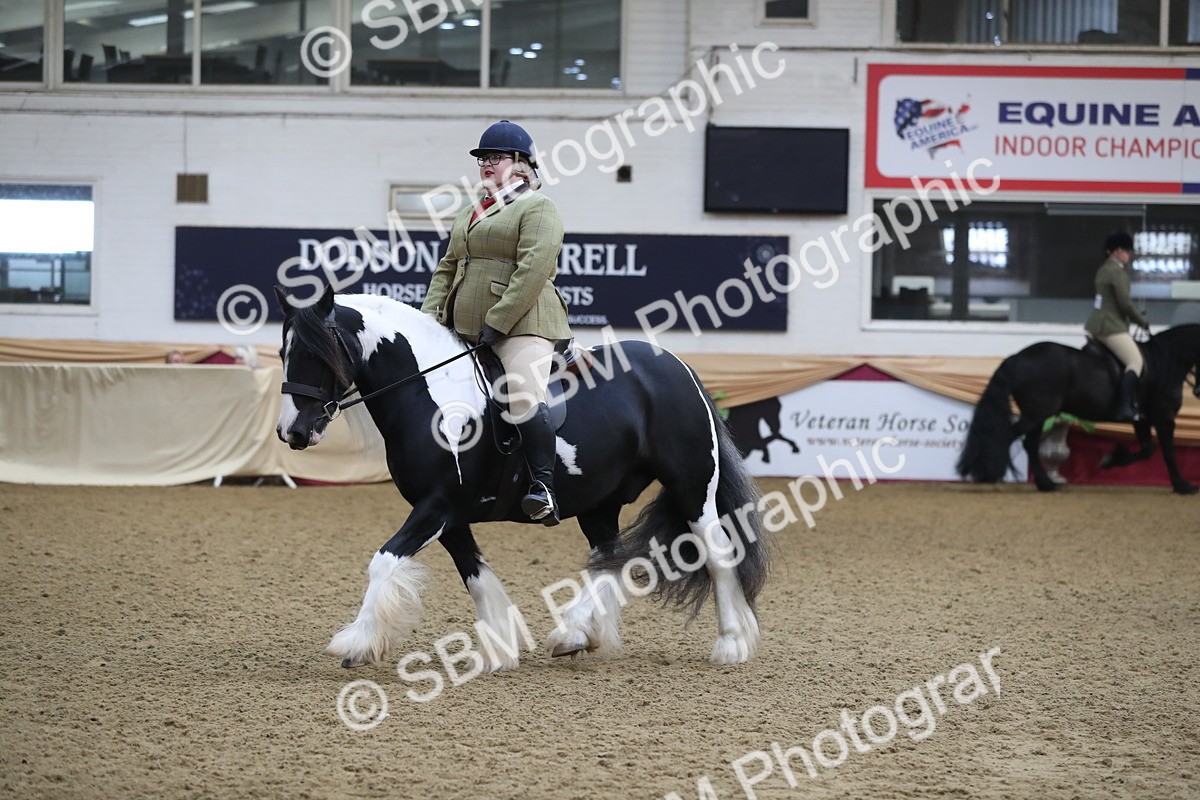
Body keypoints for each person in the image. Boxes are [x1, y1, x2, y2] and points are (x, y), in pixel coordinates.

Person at [421, 120, 572, 525]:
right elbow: (447, 268)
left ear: (521, 163)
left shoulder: (538, 207)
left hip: (524, 323)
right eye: (483, 158)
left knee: (521, 392)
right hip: (466, 325)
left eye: (496, 157)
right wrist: (428, 322)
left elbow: (533, 269)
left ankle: (543, 486)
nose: (487, 164)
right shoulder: (470, 213)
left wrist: (499, 321)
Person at [1085, 230, 1148, 421]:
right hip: (1111, 327)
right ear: (1118, 251)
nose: (1129, 255)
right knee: (1136, 362)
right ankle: (1124, 408)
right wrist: (1142, 321)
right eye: (1127, 251)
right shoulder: (1117, 273)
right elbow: (1125, 304)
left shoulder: (1103, 269)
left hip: (1097, 325)